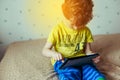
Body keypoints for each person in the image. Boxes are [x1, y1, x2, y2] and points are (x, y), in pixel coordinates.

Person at [42, 0, 106, 80]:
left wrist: (92, 56)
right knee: (69, 73)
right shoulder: (57, 30)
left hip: (81, 59)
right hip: (63, 61)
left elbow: (88, 51)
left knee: (92, 71)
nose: (76, 28)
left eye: (81, 25)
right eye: (72, 24)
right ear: (65, 15)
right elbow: (45, 50)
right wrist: (53, 54)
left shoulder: (86, 31)